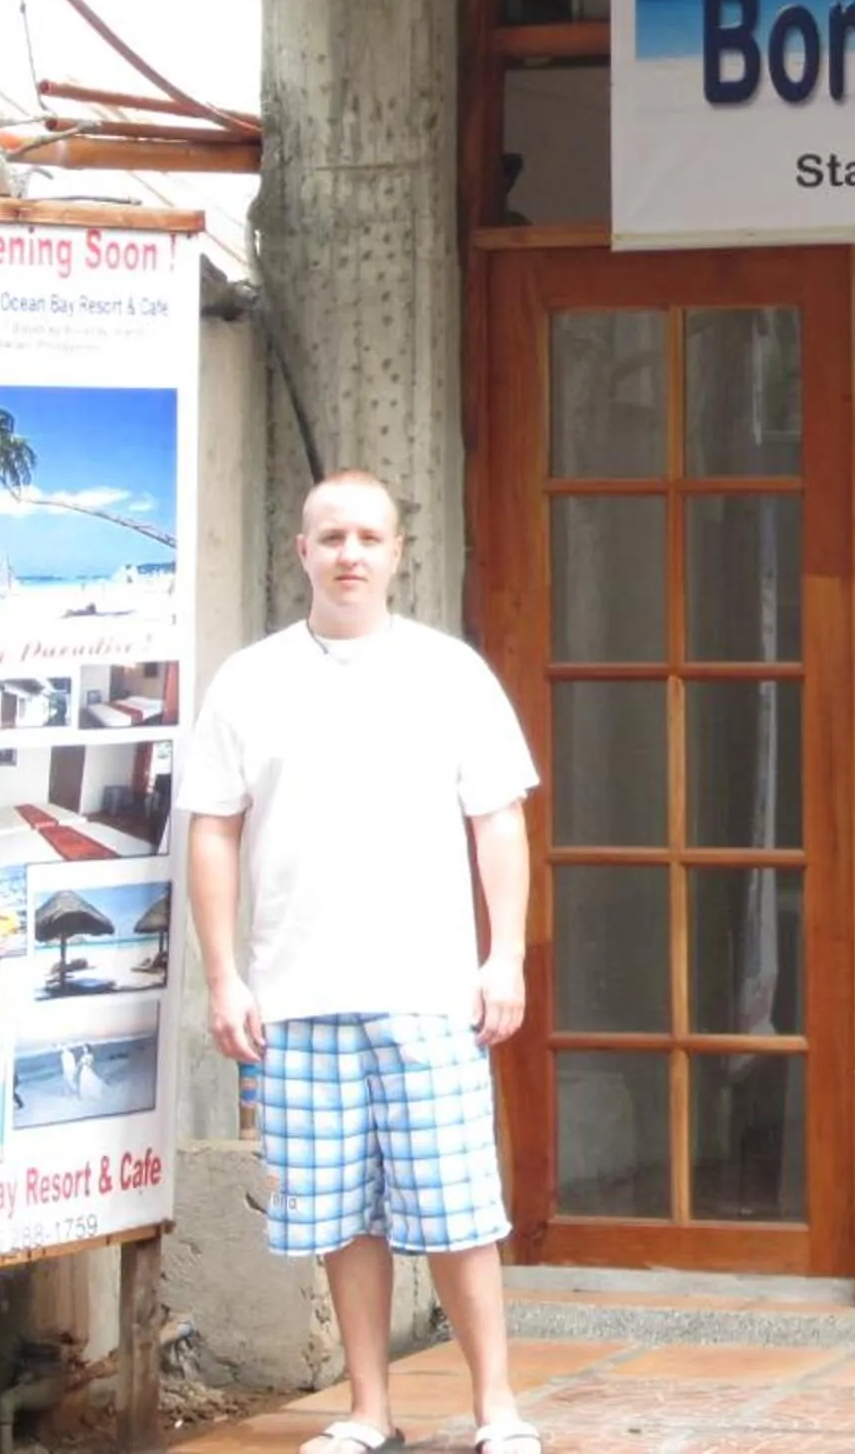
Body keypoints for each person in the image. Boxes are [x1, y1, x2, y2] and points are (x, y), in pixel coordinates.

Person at [183, 470, 542, 1454]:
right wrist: (223, 975)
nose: (349, 554)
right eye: (330, 536)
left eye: (368, 538)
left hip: (428, 990)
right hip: (297, 996)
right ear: (300, 551)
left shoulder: (449, 672)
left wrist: (502, 956)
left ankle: (497, 1409)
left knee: (461, 1210)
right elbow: (212, 830)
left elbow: (498, 819)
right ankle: (367, 1410)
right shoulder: (249, 680)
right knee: (342, 1218)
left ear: (396, 553)